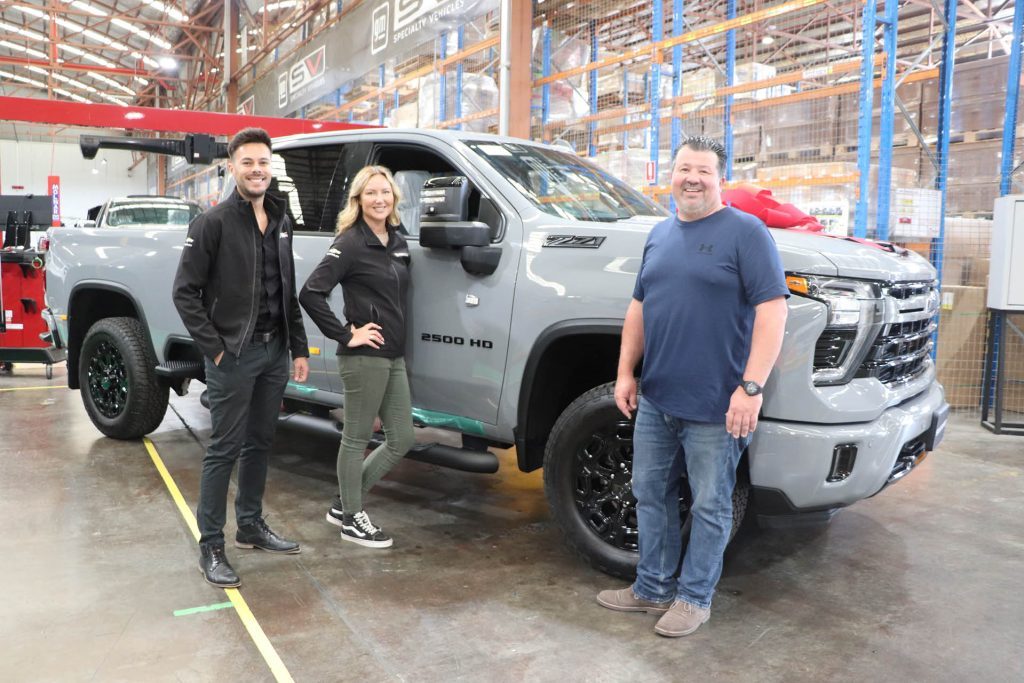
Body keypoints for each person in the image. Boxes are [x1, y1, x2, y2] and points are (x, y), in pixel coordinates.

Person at [597, 136, 789, 637]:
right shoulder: (659, 234)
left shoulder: (747, 233)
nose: (693, 179)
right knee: (650, 493)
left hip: (716, 404)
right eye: (685, 169)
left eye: (703, 171)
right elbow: (639, 306)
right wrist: (625, 371)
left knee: (709, 504)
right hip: (658, 396)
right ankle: (652, 587)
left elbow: (773, 310)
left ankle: (694, 597)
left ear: (719, 179)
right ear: (671, 174)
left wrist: (751, 387)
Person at [173, 127, 310, 588]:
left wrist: (298, 347)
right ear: (231, 167)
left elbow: (286, 288)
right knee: (224, 449)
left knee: (260, 442)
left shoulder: (280, 218)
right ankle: (211, 543)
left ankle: (250, 525)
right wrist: (214, 347)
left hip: (274, 351)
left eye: (264, 163)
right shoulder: (212, 224)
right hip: (233, 354)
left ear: (272, 168)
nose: (257, 170)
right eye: (248, 162)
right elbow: (185, 292)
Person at [299, 165, 414, 549]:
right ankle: (351, 519)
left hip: (393, 355)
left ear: (394, 198)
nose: (379, 199)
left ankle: (343, 503)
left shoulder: (397, 240)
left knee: (402, 438)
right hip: (363, 357)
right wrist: (348, 333)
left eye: (385, 192)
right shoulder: (349, 242)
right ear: (358, 200)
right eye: (371, 193)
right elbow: (311, 293)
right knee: (356, 438)